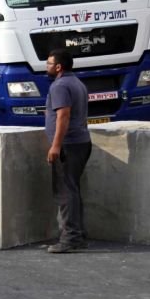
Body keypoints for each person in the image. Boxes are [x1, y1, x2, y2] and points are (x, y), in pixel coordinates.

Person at [44, 49, 92, 254]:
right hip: (81, 142)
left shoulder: (61, 85)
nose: (46, 66)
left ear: (59, 67)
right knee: (72, 189)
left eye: (49, 63)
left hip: (69, 145)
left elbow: (63, 116)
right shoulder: (77, 83)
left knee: (65, 192)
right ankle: (76, 236)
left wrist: (55, 146)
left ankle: (70, 238)